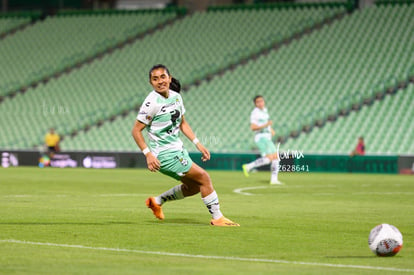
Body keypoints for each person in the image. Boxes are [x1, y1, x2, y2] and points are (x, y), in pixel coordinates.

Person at [131, 64, 239, 226]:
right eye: (155, 79)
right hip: (165, 155)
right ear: (151, 83)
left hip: (178, 150)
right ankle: (218, 218)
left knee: (194, 187)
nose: (160, 81)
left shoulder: (176, 97)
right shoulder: (151, 103)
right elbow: (136, 131)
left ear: (169, 78)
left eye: (162, 77)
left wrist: (198, 143)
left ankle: (157, 202)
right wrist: (148, 154)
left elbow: (183, 123)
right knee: (204, 178)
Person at [242, 95, 282, 185]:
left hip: (266, 137)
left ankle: (248, 166)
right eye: (258, 101)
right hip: (261, 137)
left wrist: (270, 129)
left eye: (262, 101)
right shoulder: (255, 113)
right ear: (255, 104)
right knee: (275, 157)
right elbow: (253, 127)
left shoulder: (264, 111)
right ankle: (273, 179)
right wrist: (266, 125)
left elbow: (266, 124)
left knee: (270, 158)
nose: (260, 103)